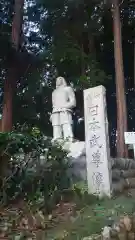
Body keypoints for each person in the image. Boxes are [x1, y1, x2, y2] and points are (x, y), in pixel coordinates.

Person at [50, 76, 76, 141]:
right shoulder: (54, 92)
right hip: (55, 111)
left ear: (63, 80)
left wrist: (64, 106)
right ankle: (57, 139)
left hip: (65, 110)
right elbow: (54, 104)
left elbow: (73, 102)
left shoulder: (68, 89)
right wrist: (52, 114)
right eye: (57, 80)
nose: (58, 80)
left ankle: (68, 138)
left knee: (66, 124)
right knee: (56, 125)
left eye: (60, 79)